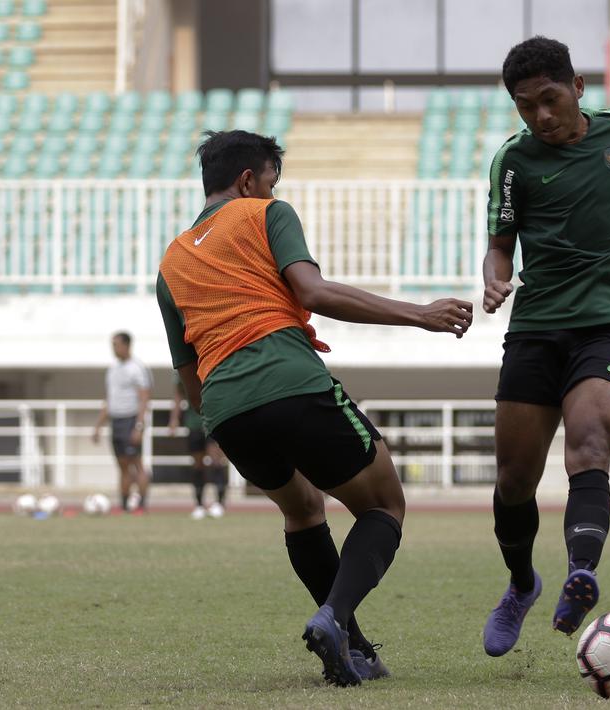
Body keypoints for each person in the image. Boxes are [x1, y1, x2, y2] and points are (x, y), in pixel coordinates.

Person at [156, 129, 473, 686]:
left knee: (302, 510)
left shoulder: (171, 263)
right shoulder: (265, 213)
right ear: (249, 180)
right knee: (383, 507)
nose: (274, 189)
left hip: (227, 411)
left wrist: (222, 424)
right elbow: (314, 293)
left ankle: (354, 650)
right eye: (271, 181)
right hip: (290, 381)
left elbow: (189, 375)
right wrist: (419, 314)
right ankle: (334, 617)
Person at [480, 36, 610, 657]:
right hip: (536, 324)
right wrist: (495, 278)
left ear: (578, 87)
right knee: (514, 479)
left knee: (590, 443)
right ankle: (523, 584)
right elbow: (501, 241)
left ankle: (582, 572)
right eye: (527, 107)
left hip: (607, 323)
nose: (541, 116)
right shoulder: (513, 162)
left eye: (550, 100)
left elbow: (607, 176)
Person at [91, 332, 152, 514]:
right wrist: (98, 426)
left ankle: (142, 505)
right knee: (123, 465)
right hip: (116, 421)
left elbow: (144, 398)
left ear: (127, 345)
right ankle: (125, 506)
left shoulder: (137, 368)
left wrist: (139, 426)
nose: (114, 348)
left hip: (131, 419)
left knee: (137, 464)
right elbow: (109, 400)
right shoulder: (112, 369)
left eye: (116, 344)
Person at [168, 377, 230, 520]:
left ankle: (219, 504)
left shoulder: (213, 360)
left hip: (215, 420)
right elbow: (178, 394)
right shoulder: (182, 368)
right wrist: (174, 418)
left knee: (217, 461)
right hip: (194, 423)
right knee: (197, 465)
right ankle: (199, 505)